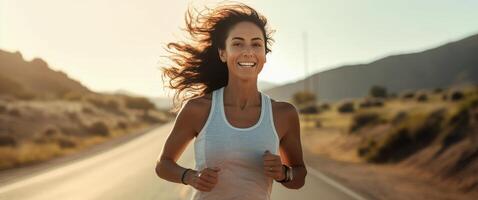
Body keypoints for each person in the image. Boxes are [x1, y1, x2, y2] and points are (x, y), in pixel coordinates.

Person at [155, 2, 307, 200]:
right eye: (237, 43)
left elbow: (299, 176)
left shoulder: (283, 114)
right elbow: (163, 164)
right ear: (222, 53)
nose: (247, 51)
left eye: (256, 44)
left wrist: (284, 173)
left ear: (264, 55)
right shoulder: (199, 109)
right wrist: (190, 176)